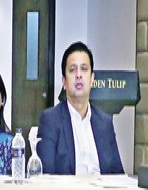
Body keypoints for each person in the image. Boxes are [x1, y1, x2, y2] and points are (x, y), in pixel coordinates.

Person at [37, 41, 123, 175]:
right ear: (64, 82)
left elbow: (118, 175)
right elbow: (45, 176)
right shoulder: (50, 120)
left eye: (84, 69)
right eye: (72, 69)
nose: (78, 75)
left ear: (92, 78)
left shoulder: (104, 123)